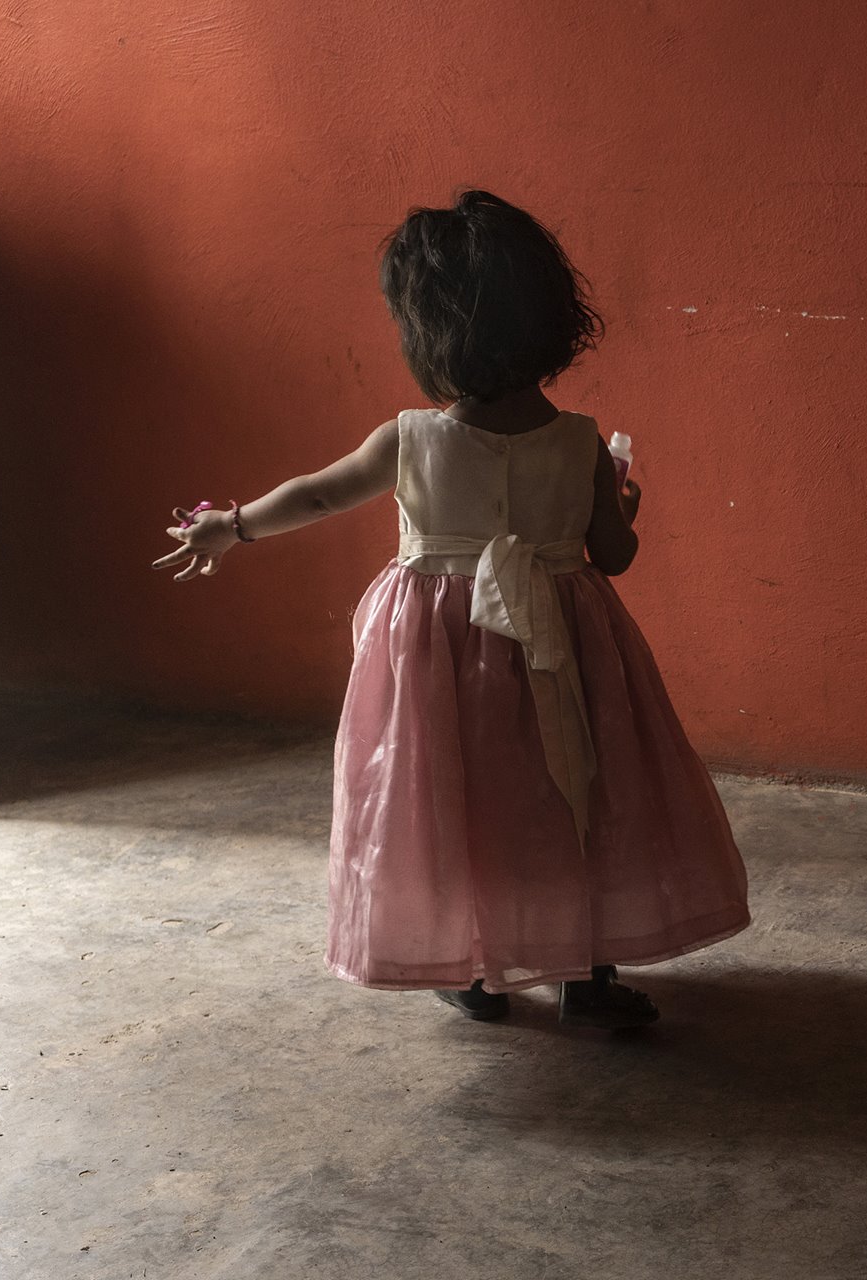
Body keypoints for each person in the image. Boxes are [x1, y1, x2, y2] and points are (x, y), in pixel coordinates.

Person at [152, 190, 750, 1029]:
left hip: (441, 667)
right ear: (549, 321)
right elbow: (613, 557)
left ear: (427, 336)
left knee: (464, 804)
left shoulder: (409, 440)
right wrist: (623, 508)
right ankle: (589, 976)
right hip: (568, 654)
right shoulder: (580, 440)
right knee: (578, 790)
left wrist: (234, 527)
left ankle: (477, 969)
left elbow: (320, 495)